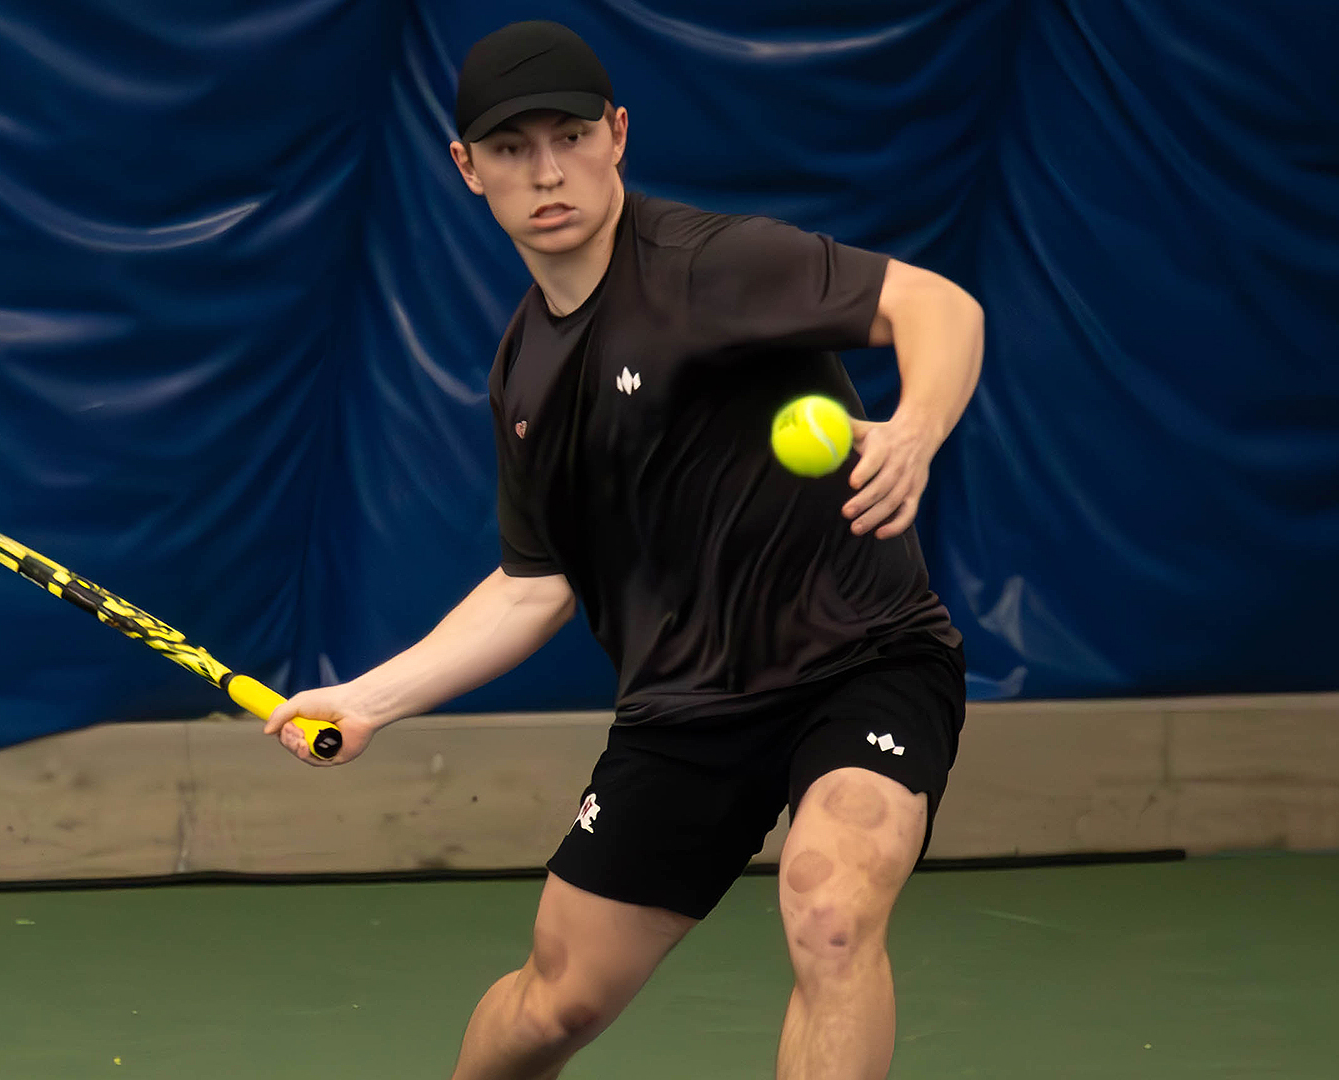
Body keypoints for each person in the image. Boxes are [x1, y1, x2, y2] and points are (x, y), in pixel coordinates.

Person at [266, 19, 983, 1080]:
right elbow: (533, 584)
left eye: (569, 136)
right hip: (685, 711)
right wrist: (368, 699)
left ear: (618, 136)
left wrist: (916, 426)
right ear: (468, 169)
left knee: (830, 911)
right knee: (554, 1005)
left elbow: (935, 304)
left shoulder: (712, 266)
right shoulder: (524, 383)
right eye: (511, 149)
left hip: (863, 658)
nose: (546, 171)